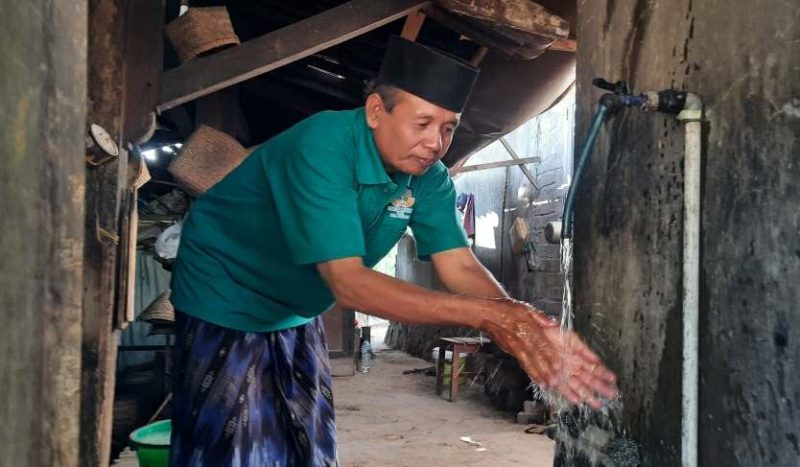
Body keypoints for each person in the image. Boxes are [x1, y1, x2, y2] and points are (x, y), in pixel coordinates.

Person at [169, 36, 617, 467]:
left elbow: (458, 262)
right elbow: (349, 283)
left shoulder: (429, 177)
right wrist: (491, 316)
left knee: (303, 437)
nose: (435, 142)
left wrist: (521, 322)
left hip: (294, 306)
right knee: (232, 442)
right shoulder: (323, 145)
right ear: (375, 111)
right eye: (422, 124)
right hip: (225, 289)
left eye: (447, 128)